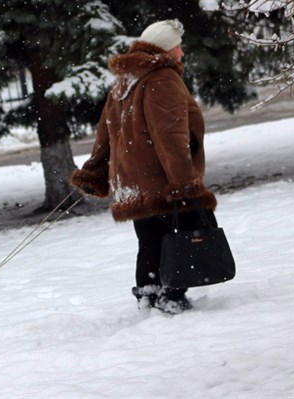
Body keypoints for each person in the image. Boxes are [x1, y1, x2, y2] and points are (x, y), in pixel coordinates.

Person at [71, 19, 218, 314]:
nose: (182, 53)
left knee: (150, 241)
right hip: (161, 179)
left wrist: (95, 170)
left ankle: (149, 296)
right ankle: (172, 297)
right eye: (178, 47)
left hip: (132, 183)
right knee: (177, 236)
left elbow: (106, 132)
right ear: (165, 49)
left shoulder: (126, 79)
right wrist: (184, 183)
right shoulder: (162, 78)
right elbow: (171, 136)